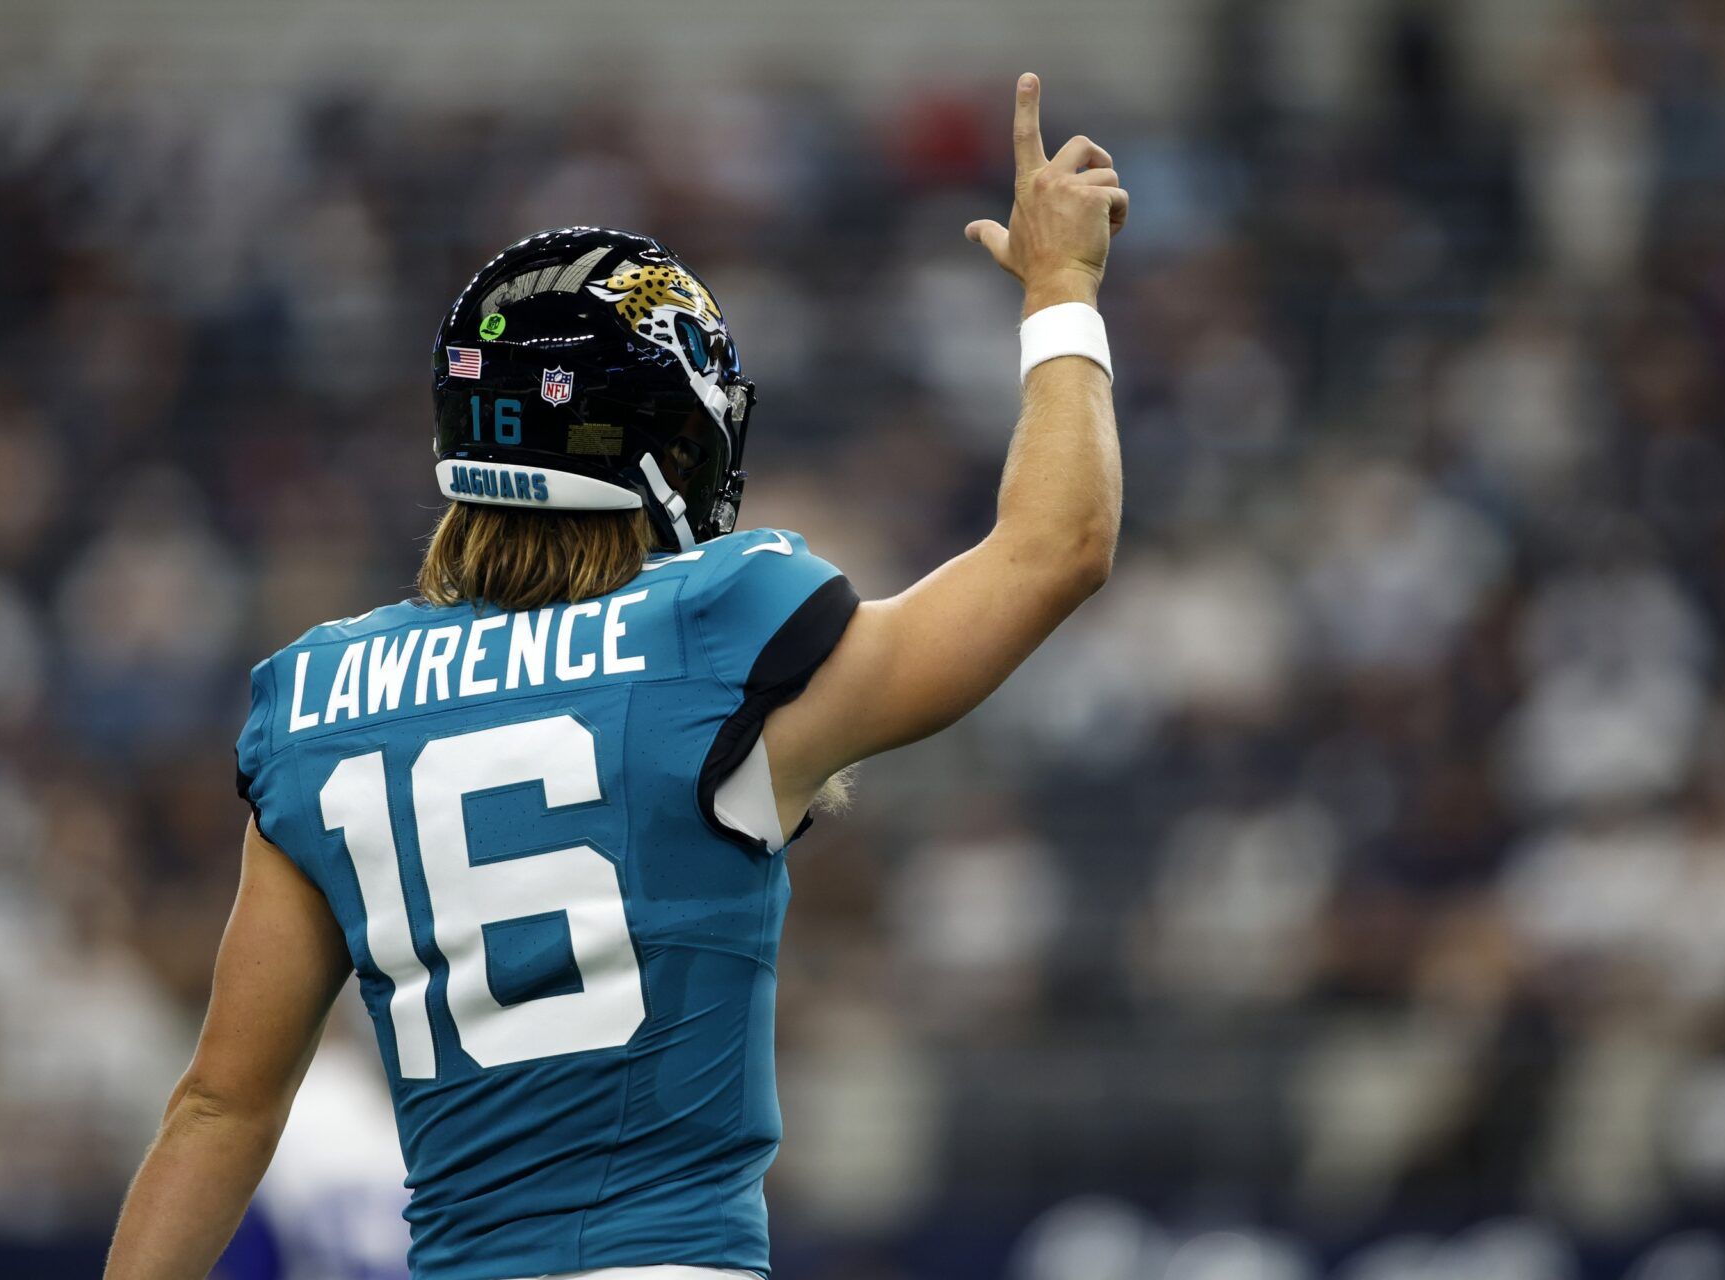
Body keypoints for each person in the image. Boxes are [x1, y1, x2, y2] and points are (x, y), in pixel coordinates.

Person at [104, 73, 1127, 1280]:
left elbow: (221, 1108)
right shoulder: (715, 637)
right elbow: (1055, 548)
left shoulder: (326, 698)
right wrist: (1061, 292)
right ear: (665, 444)